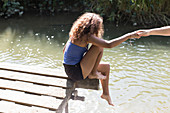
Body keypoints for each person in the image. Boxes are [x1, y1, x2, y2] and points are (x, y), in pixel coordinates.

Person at [63, 12, 140, 106]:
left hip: (70, 68)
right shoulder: (87, 37)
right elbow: (109, 45)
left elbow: (64, 51)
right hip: (76, 71)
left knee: (106, 67)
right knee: (99, 46)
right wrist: (129, 36)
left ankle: (106, 94)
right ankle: (93, 73)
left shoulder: (75, 34)